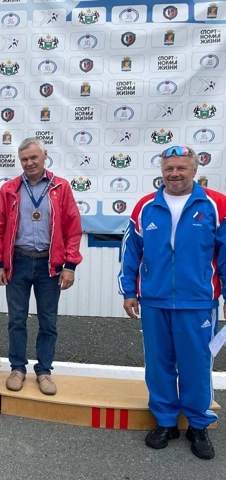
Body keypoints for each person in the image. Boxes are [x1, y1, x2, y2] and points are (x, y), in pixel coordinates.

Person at [118, 145, 226, 460]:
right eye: (169, 169)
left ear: (194, 170)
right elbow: (130, 252)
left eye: (181, 168)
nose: (174, 174)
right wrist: (129, 291)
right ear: (161, 172)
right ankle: (165, 421)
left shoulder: (216, 205)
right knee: (159, 363)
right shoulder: (145, 207)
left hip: (198, 302)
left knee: (196, 364)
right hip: (155, 300)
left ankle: (198, 425)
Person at [0, 137, 82, 395]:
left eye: (33, 157)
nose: (29, 163)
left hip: (49, 265)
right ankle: (17, 369)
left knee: (48, 321)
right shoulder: (10, 189)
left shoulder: (61, 187)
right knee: (16, 320)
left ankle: (44, 371)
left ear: (44, 156)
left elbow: (73, 228)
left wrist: (70, 265)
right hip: (17, 262)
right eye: (24, 159)